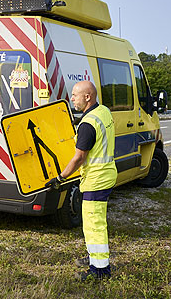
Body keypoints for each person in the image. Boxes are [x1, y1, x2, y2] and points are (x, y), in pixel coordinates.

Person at [45, 80, 118, 280]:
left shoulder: (88, 124)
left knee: (94, 225)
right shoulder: (103, 111)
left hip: (96, 179)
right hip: (106, 173)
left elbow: (79, 157)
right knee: (94, 222)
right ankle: (94, 257)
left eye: (76, 95)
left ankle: (100, 271)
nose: (72, 99)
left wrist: (59, 178)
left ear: (88, 97)